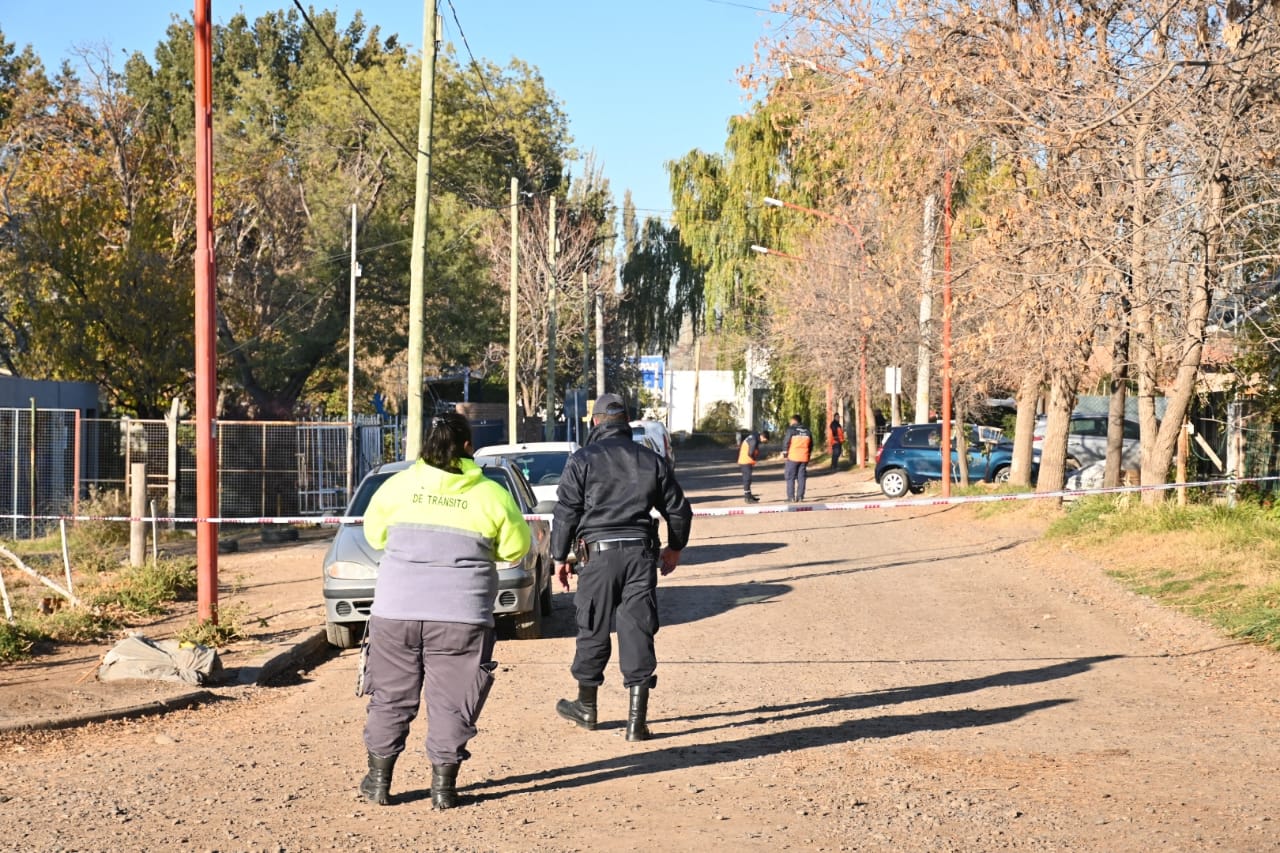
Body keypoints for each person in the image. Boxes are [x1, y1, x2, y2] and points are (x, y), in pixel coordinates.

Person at [357, 412, 531, 810]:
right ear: (468, 448)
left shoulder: (396, 487)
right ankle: (443, 789)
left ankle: (379, 782)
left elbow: (374, 535)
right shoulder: (491, 495)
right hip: (461, 615)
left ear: (424, 446)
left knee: (390, 698)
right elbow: (515, 548)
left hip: (396, 610)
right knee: (453, 699)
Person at [551, 393, 693, 741]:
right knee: (637, 629)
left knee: (592, 626)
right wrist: (674, 548)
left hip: (597, 557)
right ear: (626, 422)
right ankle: (636, 722)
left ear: (596, 422)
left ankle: (587, 708)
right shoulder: (650, 459)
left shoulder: (581, 459)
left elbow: (566, 511)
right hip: (639, 555)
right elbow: (678, 509)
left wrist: (559, 557)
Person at [782, 414, 813, 502]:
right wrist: (808, 455)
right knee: (801, 477)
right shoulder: (807, 430)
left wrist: (785, 454)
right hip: (804, 457)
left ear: (794, 421)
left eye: (791, 421)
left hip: (793, 457)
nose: (790, 422)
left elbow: (786, 442)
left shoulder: (791, 429)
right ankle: (800, 497)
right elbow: (811, 445)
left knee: (790, 476)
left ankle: (791, 497)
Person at [738, 429, 769, 503]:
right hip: (745, 461)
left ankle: (749, 495)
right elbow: (750, 453)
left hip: (746, 460)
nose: (764, 442)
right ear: (762, 436)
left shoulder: (754, 437)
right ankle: (747, 498)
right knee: (747, 479)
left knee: (748, 479)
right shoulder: (754, 440)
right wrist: (754, 458)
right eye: (765, 440)